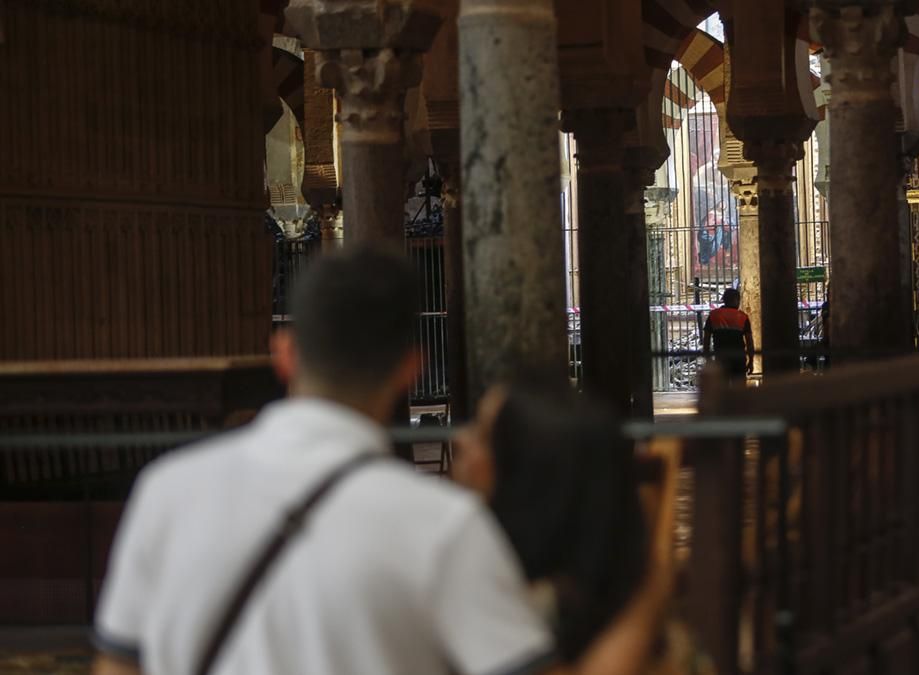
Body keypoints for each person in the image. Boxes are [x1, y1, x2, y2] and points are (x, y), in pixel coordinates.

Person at [92, 246, 557, 675]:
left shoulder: (168, 490)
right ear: (410, 368)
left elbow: (118, 663)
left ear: (285, 354)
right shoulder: (443, 525)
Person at [453, 383, 696, 674]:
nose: (461, 439)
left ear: (529, 476)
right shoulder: (626, 598)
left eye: (482, 435)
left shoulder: (498, 595)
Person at [702, 288, 754, 381]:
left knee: (722, 390)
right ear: (736, 300)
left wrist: (708, 359)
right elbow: (749, 342)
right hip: (738, 359)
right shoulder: (743, 317)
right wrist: (751, 361)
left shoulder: (713, 315)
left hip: (721, 358)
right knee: (739, 390)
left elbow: (706, 340)